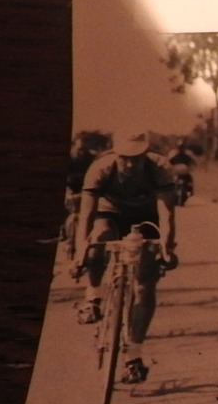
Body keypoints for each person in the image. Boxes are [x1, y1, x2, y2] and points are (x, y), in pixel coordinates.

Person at [71, 131, 179, 384]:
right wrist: (79, 254)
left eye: (137, 159)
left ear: (146, 155)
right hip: (109, 214)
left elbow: (167, 215)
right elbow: (86, 217)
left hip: (146, 218)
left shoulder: (160, 168)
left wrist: (167, 248)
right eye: (124, 159)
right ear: (114, 154)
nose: (130, 164)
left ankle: (133, 355)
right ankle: (93, 295)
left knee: (145, 286)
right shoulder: (100, 168)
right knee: (98, 239)